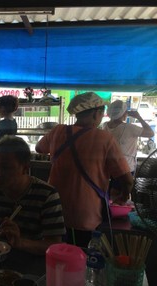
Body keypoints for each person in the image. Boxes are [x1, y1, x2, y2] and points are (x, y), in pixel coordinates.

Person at [35, 92, 133, 248]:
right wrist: (123, 195)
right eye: (102, 113)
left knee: (54, 257)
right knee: (81, 260)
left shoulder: (57, 131)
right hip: (86, 216)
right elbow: (127, 180)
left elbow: (39, 148)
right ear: (96, 114)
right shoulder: (105, 138)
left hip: (53, 211)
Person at [0, 135, 66, 255]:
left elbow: (55, 245)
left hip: (30, 263)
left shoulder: (47, 195)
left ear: (25, 168)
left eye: (5, 167)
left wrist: (20, 242)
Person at [102, 100, 154, 202]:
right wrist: (139, 117)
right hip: (125, 168)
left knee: (111, 194)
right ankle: (117, 213)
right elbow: (150, 133)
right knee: (121, 196)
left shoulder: (105, 126)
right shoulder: (129, 128)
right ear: (124, 113)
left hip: (108, 166)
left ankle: (110, 212)